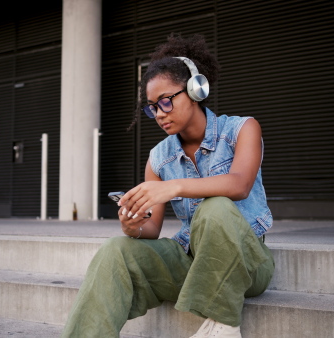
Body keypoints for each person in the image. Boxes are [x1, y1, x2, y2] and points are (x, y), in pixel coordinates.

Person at [61, 33, 274, 338]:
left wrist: (174, 187)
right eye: (151, 107)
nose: (159, 114)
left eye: (165, 102)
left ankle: (224, 324)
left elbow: (239, 185)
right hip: (190, 261)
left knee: (216, 207)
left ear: (195, 90)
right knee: (115, 250)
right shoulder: (158, 158)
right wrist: (132, 225)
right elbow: (153, 230)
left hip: (247, 263)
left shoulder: (241, 129)